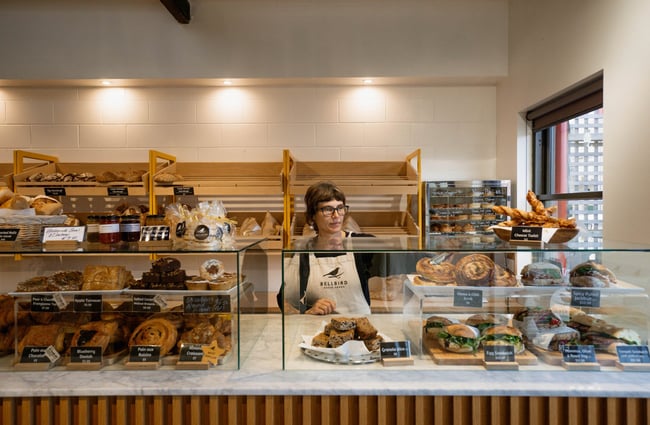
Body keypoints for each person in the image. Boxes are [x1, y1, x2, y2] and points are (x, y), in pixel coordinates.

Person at [279, 181, 379, 315]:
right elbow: (284, 300)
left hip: (359, 331)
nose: (336, 216)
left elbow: (404, 264)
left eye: (340, 208)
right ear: (312, 215)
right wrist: (307, 312)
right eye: (327, 209)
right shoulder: (302, 252)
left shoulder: (362, 244)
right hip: (318, 332)